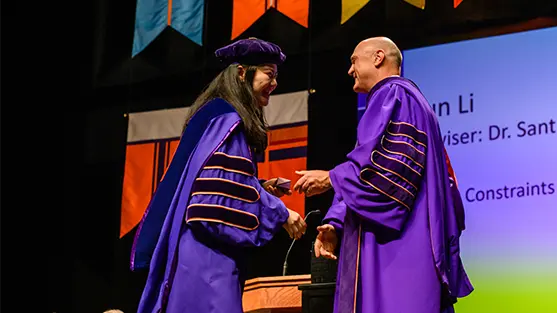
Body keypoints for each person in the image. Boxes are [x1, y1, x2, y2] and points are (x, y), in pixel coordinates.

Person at [293, 37, 474, 313]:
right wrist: (335, 223)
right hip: (390, 241)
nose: (349, 70)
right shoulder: (395, 100)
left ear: (378, 58)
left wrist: (331, 178)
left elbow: (390, 172)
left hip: (397, 245)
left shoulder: (395, 94)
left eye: (354, 61)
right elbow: (366, 165)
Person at [131, 37, 307, 313]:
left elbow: (222, 182)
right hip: (207, 255)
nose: (274, 83)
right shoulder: (229, 121)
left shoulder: (212, 115)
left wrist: (259, 188)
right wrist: (281, 212)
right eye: (269, 74)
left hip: (193, 247)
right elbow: (218, 195)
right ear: (241, 72)